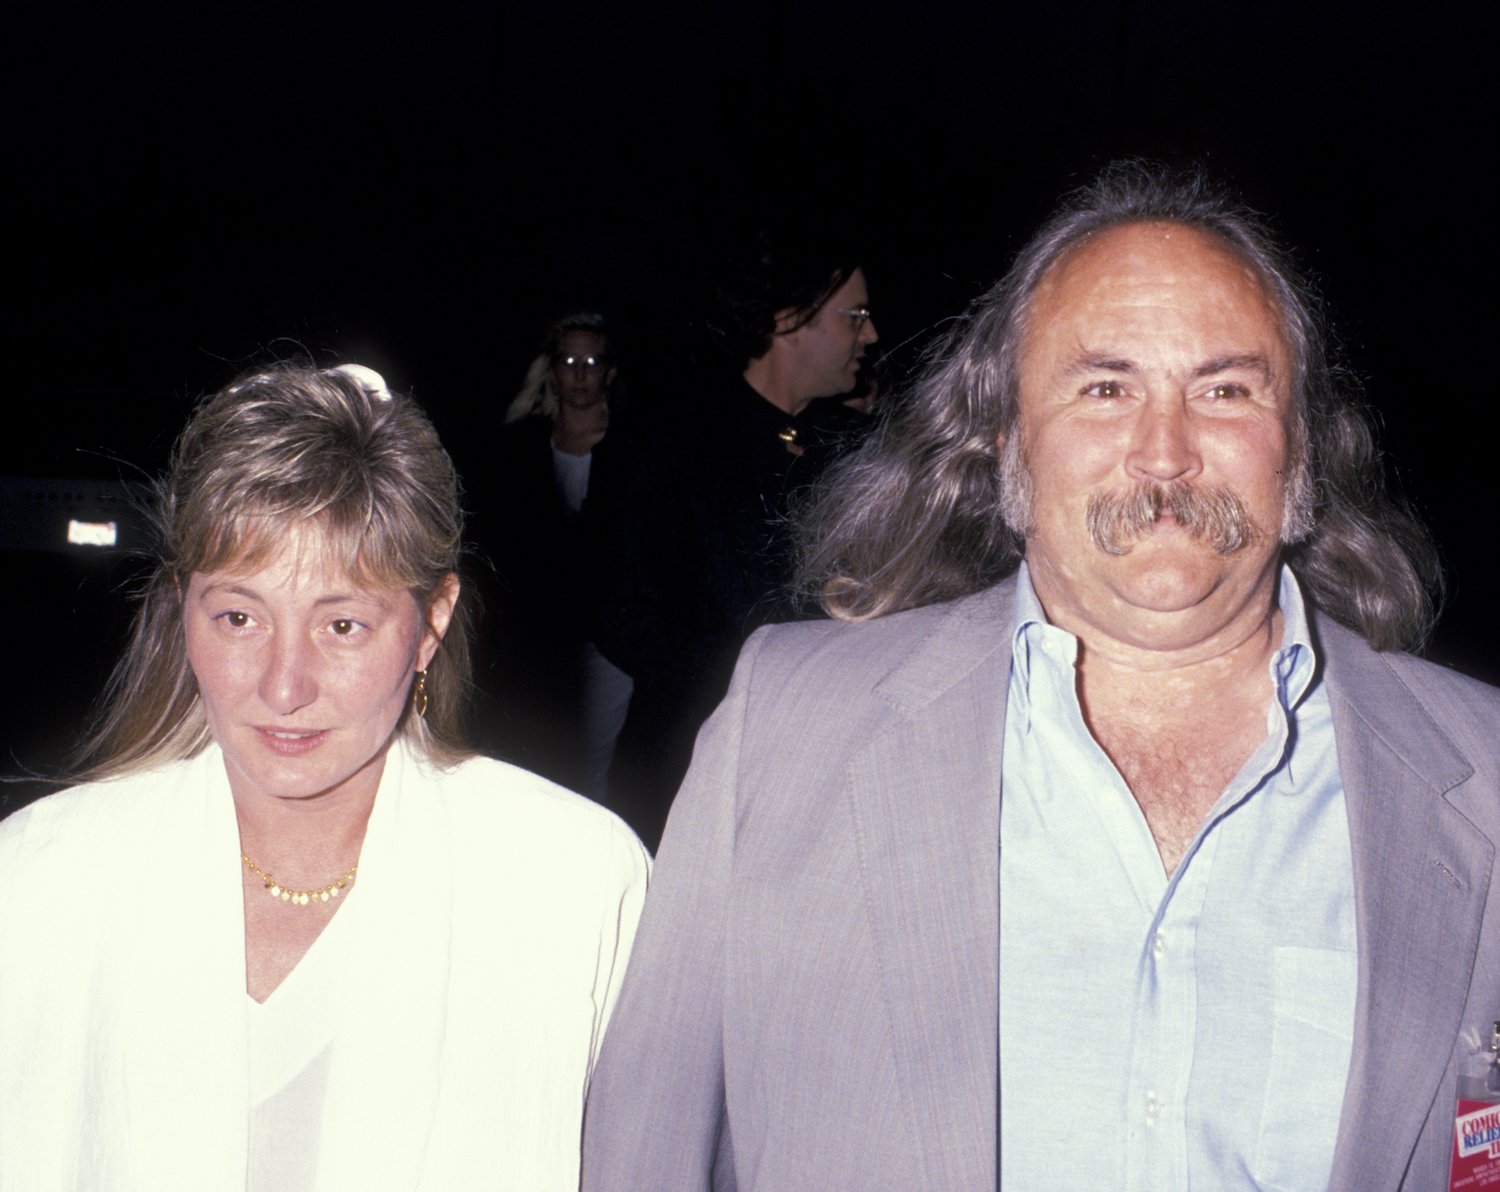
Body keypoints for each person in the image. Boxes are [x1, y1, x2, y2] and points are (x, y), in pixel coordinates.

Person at [580, 163, 1500, 1190]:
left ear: (1301, 457)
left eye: (1226, 389)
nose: (1165, 453)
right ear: (1009, 448)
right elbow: (646, 1154)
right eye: (1106, 388)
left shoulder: (1481, 777)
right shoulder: (785, 732)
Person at [0, 363, 649, 1191]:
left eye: (342, 625)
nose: (282, 686)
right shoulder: (41, 877)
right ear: (181, 606)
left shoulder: (575, 884)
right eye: (239, 616)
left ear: (431, 623)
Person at [592, 230, 879, 847]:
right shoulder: (668, 440)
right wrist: (758, 679)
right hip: (687, 780)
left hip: (822, 789)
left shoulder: (857, 449)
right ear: (788, 319)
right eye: (854, 316)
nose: (871, 334)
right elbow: (617, 609)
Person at [472, 312, 633, 796]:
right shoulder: (519, 448)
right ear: (552, 370)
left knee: (595, 769)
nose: (580, 372)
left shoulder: (634, 447)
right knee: (538, 758)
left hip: (611, 637)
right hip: (539, 640)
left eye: (591, 360)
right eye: (568, 360)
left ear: (610, 371)